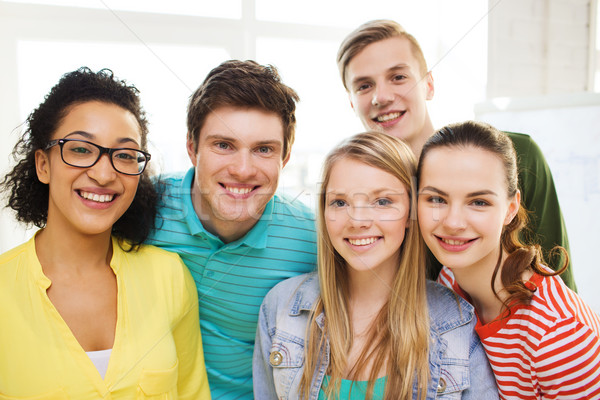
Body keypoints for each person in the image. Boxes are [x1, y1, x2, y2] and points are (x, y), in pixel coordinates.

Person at [0, 68, 210, 398]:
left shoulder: (170, 277)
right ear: (43, 165)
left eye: (125, 155)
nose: (103, 173)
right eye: (81, 149)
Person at [254, 132, 498, 399]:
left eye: (382, 201)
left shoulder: (456, 323)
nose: (357, 220)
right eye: (340, 202)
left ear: (411, 212)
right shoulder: (281, 309)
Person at [336, 19, 575, 290]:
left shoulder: (520, 156)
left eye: (398, 77)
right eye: (364, 86)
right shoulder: (364, 198)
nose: (381, 96)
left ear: (429, 85)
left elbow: (559, 285)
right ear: (351, 101)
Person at [146, 60, 317, 399]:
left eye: (263, 149)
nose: (242, 169)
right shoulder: (142, 209)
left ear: (284, 158)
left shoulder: (312, 240)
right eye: (223, 145)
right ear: (193, 149)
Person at [417, 120, 600, 399]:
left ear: (511, 209)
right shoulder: (449, 280)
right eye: (436, 199)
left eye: (479, 202)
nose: (452, 222)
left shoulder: (560, 334)